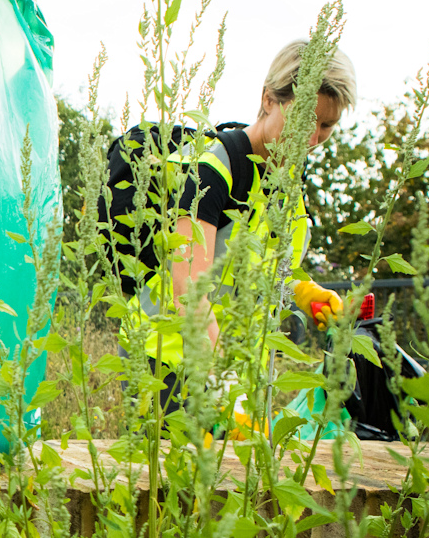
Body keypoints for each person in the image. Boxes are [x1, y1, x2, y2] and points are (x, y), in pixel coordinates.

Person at [111, 39, 357, 412]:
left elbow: (253, 281)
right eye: (305, 118)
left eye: (326, 125)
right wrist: (228, 392)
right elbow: (186, 289)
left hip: (234, 370)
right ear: (269, 99)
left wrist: (301, 292)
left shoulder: (287, 184)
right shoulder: (215, 168)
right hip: (166, 364)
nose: (312, 138)